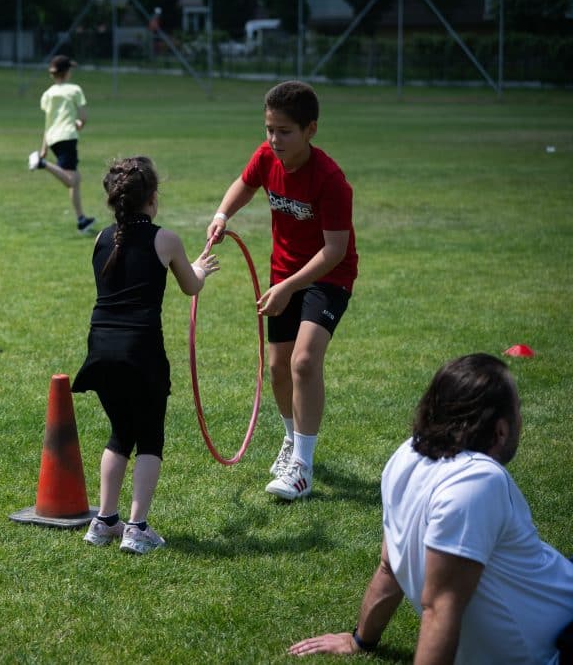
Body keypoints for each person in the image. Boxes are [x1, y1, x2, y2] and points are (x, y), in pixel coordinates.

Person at [289, 353, 573, 663]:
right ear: (501, 430)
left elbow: (390, 567)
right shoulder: (478, 481)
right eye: (518, 409)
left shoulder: (406, 456)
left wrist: (360, 640)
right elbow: (440, 608)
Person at [206, 80, 357, 501]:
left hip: (328, 276)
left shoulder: (331, 180)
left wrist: (288, 287)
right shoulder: (265, 157)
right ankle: (291, 439)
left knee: (304, 362)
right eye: (269, 129)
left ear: (310, 130)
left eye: (285, 131)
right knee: (277, 368)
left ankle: (302, 468)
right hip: (284, 273)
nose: (274, 140)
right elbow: (245, 184)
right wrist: (222, 215)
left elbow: (334, 250)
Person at [72, 157, 219, 554]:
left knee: (121, 432)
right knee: (150, 437)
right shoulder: (165, 239)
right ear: (153, 198)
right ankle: (136, 528)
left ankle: (104, 522)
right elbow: (191, 286)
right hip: (141, 352)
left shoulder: (101, 238)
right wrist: (200, 269)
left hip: (101, 349)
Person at [27, 55, 95, 234]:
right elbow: (83, 117)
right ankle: (42, 164)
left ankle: (81, 220)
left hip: (52, 138)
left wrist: (44, 148)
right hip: (67, 136)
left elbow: (48, 123)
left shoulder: (48, 94)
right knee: (71, 181)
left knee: (76, 178)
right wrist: (79, 124)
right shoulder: (74, 90)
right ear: (67, 72)